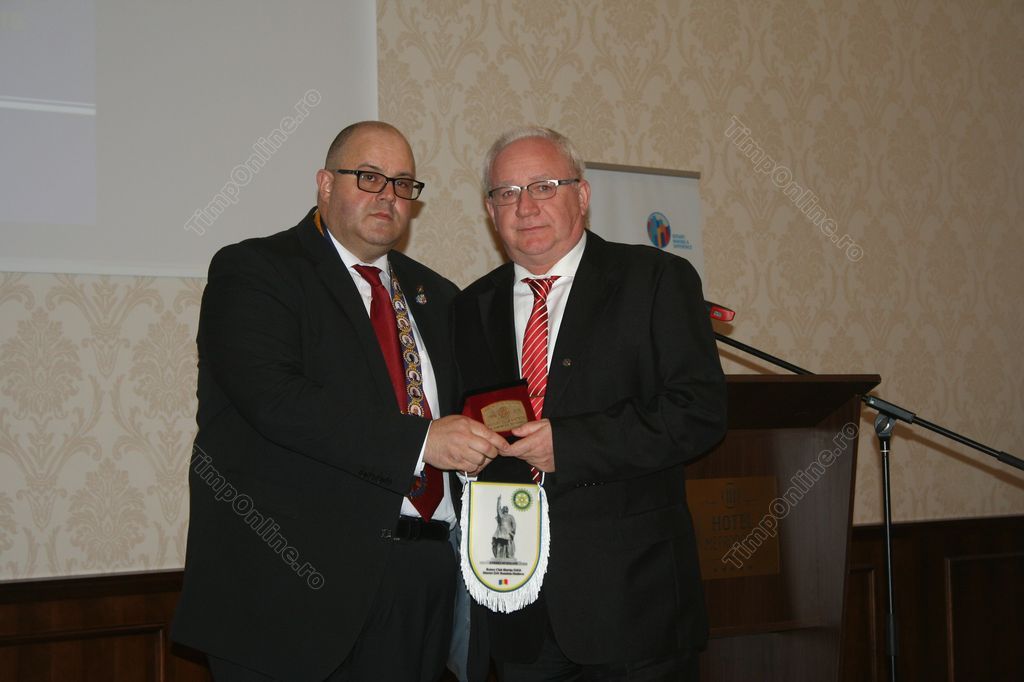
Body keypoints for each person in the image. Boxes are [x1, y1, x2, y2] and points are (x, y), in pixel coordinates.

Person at [172, 121, 506, 682]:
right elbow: (276, 400)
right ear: (325, 185)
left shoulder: (438, 295)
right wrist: (423, 440)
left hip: (421, 581)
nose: (388, 196)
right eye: (369, 177)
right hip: (291, 592)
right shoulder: (257, 271)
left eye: (403, 184)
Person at [452, 126, 728, 681]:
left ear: (582, 195)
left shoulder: (655, 279)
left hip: (634, 607)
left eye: (543, 186)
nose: (525, 206)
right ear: (490, 209)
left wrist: (571, 444)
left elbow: (698, 413)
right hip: (517, 607)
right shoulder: (469, 307)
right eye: (507, 192)